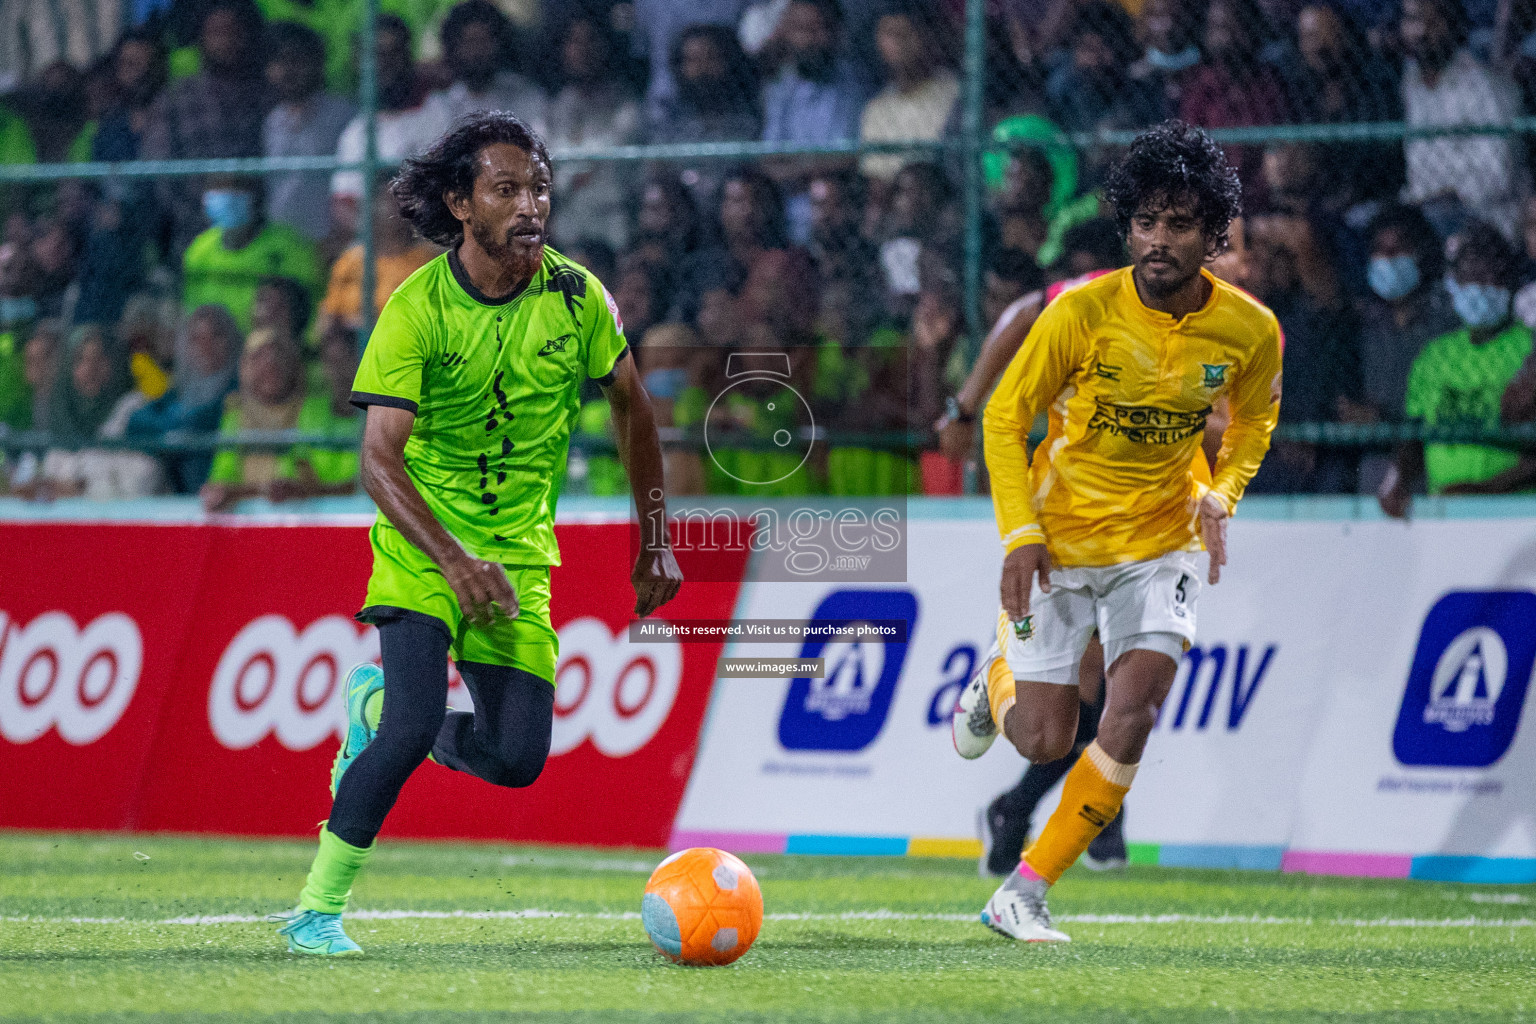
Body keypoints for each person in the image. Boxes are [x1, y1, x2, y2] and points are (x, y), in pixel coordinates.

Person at [271, 111, 682, 956]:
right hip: (425, 547)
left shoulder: (578, 297)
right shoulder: (416, 308)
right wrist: (453, 560)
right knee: (414, 727)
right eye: (506, 189)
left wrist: (655, 540)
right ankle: (317, 912)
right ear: (461, 204)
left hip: (520, 558)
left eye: (538, 188)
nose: (530, 206)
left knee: (517, 758)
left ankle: (375, 704)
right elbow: (378, 464)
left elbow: (636, 413)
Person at [951, 121, 1280, 942]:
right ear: (1126, 225)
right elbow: (1003, 417)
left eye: (1179, 224)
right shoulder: (1081, 312)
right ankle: (997, 676)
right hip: (1061, 538)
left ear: (1215, 233)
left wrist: (1224, 493)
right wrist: (1019, 533)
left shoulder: (1250, 331)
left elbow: (1254, 424)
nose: (1159, 240)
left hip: (1163, 540)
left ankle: (1023, 893)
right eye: (1145, 221)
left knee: (1133, 712)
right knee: (1040, 738)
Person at [1379, 221, 1536, 513]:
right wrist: (1398, 479)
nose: (1478, 284)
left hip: (1518, 511)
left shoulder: (1531, 351)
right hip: (1445, 511)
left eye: (1490, 275)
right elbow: (1413, 433)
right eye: (1469, 275)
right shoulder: (1435, 356)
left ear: (1510, 282)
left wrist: (1485, 492)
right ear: (1454, 285)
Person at [141, 0, 269, 253]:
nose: (227, 41)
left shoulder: (267, 96)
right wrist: (192, 214)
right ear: (201, 38)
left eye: (235, 32)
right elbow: (159, 169)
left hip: (261, 236)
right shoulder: (176, 98)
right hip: (194, 235)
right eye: (218, 33)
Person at [1346, 203, 1458, 494]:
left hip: (1427, 474)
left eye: (1398, 250)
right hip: (1372, 472)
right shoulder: (1362, 326)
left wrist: (1385, 420)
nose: (1388, 259)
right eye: (1380, 250)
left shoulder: (1446, 324)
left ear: (1422, 254)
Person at [1399, 0, 1526, 236]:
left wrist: (1449, 194)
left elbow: (1499, 174)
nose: (1422, 32)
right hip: (1425, 210)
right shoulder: (1409, 83)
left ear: (1452, 25)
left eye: (1433, 21)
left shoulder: (1483, 83)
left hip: (1484, 213)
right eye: (1413, 19)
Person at [329, 14, 455, 239]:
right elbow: (344, 204)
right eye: (375, 56)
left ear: (408, 56)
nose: (384, 64)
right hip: (381, 252)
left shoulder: (442, 111)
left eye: (392, 53)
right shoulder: (356, 133)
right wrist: (385, 236)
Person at [759, 0, 869, 244]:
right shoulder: (779, 89)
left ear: (837, 32)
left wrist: (795, 169)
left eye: (819, 29)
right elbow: (769, 164)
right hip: (784, 221)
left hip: (841, 221)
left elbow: (849, 160)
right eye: (801, 30)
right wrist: (818, 165)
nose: (810, 39)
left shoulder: (854, 85)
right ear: (786, 34)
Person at [544, 14, 644, 252]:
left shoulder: (627, 106)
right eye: (574, 42)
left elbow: (613, 165)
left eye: (591, 41)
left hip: (614, 222)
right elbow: (551, 174)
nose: (583, 50)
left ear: (606, 46)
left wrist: (574, 161)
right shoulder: (555, 107)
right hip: (567, 221)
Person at [181, 175, 323, 331]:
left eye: (237, 188)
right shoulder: (199, 250)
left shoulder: (291, 248)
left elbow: (311, 316)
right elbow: (191, 314)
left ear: (256, 197)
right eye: (218, 187)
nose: (227, 196)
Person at [263, 22, 357, 244]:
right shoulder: (272, 121)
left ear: (317, 62)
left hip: (333, 244)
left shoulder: (344, 116)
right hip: (282, 246)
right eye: (279, 61)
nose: (287, 70)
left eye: (296, 59)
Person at [316, 182, 440, 338]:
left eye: (397, 201)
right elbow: (330, 314)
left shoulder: (426, 261)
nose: (390, 208)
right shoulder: (351, 260)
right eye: (383, 200)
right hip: (353, 346)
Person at [859, 0, 958, 190]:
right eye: (890, 33)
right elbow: (875, 181)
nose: (899, 41)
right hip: (895, 207)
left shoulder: (953, 92)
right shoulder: (876, 109)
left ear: (927, 35)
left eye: (907, 32)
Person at [432, 0, 547, 133]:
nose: (477, 52)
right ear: (454, 47)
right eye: (470, 42)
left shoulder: (525, 96)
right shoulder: (442, 106)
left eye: (483, 41)